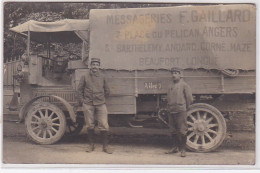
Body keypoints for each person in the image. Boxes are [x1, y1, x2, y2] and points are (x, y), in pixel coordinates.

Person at [77, 58, 113, 154]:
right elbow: (79, 90)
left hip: (100, 104)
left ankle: (105, 147)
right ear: (90, 66)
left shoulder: (103, 76)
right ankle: (91, 145)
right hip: (88, 104)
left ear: (99, 66)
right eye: (93, 64)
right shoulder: (85, 76)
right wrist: (83, 101)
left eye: (97, 65)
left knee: (104, 124)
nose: (95, 67)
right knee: (89, 124)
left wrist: (102, 98)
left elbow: (107, 90)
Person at [165, 67, 193, 157]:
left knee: (182, 131)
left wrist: (185, 108)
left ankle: (183, 150)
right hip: (171, 110)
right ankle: (175, 147)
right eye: (173, 73)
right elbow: (168, 98)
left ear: (180, 75)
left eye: (176, 73)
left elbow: (189, 99)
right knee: (173, 131)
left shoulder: (184, 85)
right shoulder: (170, 86)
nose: (174, 75)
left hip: (181, 111)